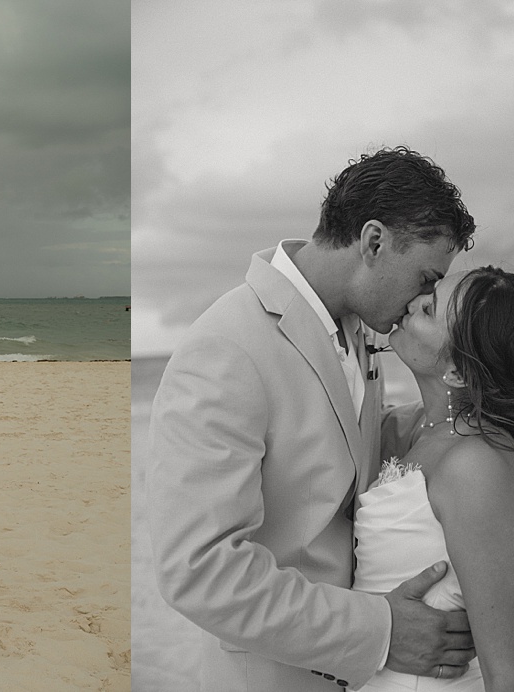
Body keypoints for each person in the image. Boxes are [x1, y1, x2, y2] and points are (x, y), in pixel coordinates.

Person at [147, 147, 478, 689]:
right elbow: (200, 570)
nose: (425, 299)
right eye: (425, 278)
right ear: (373, 242)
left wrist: (473, 413)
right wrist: (382, 631)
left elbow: (344, 446)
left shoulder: (354, 326)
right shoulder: (226, 347)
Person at [355, 266, 514, 691]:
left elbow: (510, 674)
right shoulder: (424, 432)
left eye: (430, 309)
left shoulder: (477, 465)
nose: (414, 302)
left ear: (457, 373)